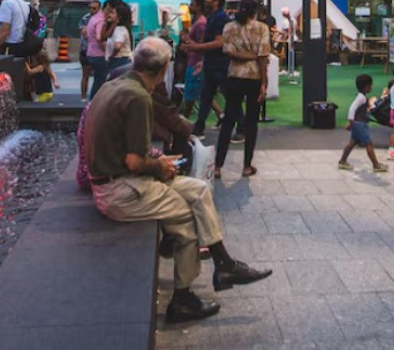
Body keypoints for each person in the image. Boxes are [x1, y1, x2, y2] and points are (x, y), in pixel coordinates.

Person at [83, 38, 271, 323]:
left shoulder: (116, 85)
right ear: (163, 69)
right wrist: (158, 165)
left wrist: (157, 162)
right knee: (186, 218)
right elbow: (134, 162)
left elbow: (127, 152)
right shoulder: (138, 97)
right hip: (120, 189)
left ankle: (224, 263)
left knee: (197, 190)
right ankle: (183, 299)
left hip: (119, 180)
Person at [214, 0, 270, 179]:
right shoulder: (262, 28)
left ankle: (218, 166)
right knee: (251, 124)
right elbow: (263, 57)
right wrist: (263, 82)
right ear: (255, 11)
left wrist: (243, 56)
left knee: (229, 121)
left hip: (234, 76)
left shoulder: (229, 27)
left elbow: (228, 51)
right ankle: (246, 166)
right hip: (254, 78)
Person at [192, 0, 239, 138]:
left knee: (228, 95)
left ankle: (242, 126)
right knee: (207, 96)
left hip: (219, 65)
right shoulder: (213, 17)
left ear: (216, 1)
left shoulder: (219, 18)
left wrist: (197, 48)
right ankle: (199, 128)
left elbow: (219, 42)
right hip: (213, 63)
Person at [338, 74, 388, 173]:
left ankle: (342, 161)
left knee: (353, 142)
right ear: (366, 87)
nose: (371, 88)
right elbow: (352, 108)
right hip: (360, 125)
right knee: (368, 143)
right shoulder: (361, 98)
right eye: (370, 86)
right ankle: (376, 165)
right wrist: (350, 122)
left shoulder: (361, 97)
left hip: (357, 124)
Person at [180, 0, 208, 120]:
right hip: (192, 59)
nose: (190, 7)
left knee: (192, 94)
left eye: (192, 5)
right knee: (199, 93)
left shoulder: (201, 23)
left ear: (199, 7)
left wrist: (188, 42)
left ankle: (184, 119)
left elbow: (202, 44)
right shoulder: (194, 22)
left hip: (196, 62)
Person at [86, 0, 111, 99]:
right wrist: (107, 51)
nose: (92, 10)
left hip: (91, 52)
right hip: (99, 54)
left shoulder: (93, 18)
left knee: (97, 80)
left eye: (94, 8)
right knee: (100, 81)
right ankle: (95, 101)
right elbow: (99, 38)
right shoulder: (100, 20)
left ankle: (93, 100)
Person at [104, 1, 134, 77]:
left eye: (113, 13)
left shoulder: (119, 30)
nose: (110, 15)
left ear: (119, 17)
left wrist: (111, 56)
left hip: (119, 60)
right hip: (121, 60)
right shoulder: (118, 28)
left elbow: (117, 46)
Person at [78, 0, 101, 99]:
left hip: (98, 51)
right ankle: (83, 97)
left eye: (95, 8)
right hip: (86, 49)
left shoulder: (101, 19)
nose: (92, 10)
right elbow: (85, 33)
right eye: (91, 8)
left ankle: (96, 96)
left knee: (99, 76)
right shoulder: (86, 18)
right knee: (85, 74)